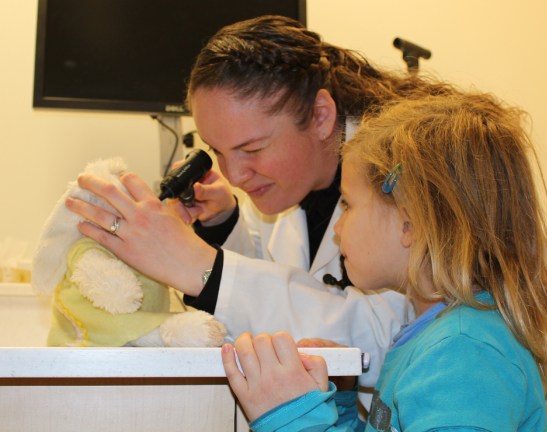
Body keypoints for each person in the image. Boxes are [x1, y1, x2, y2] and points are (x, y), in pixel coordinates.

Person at [65, 15, 455, 389]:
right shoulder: (298, 184)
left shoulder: (405, 183)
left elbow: (390, 335)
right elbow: (292, 280)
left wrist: (201, 268)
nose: (234, 175)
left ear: (321, 116)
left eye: (251, 148)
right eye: (217, 151)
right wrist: (224, 227)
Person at [221, 91, 547, 431]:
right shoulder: (438, 338)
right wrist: (339, 404)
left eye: (348, 205)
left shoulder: (461, 355)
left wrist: (294, 419)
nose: (338, 229)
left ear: (409, 223)